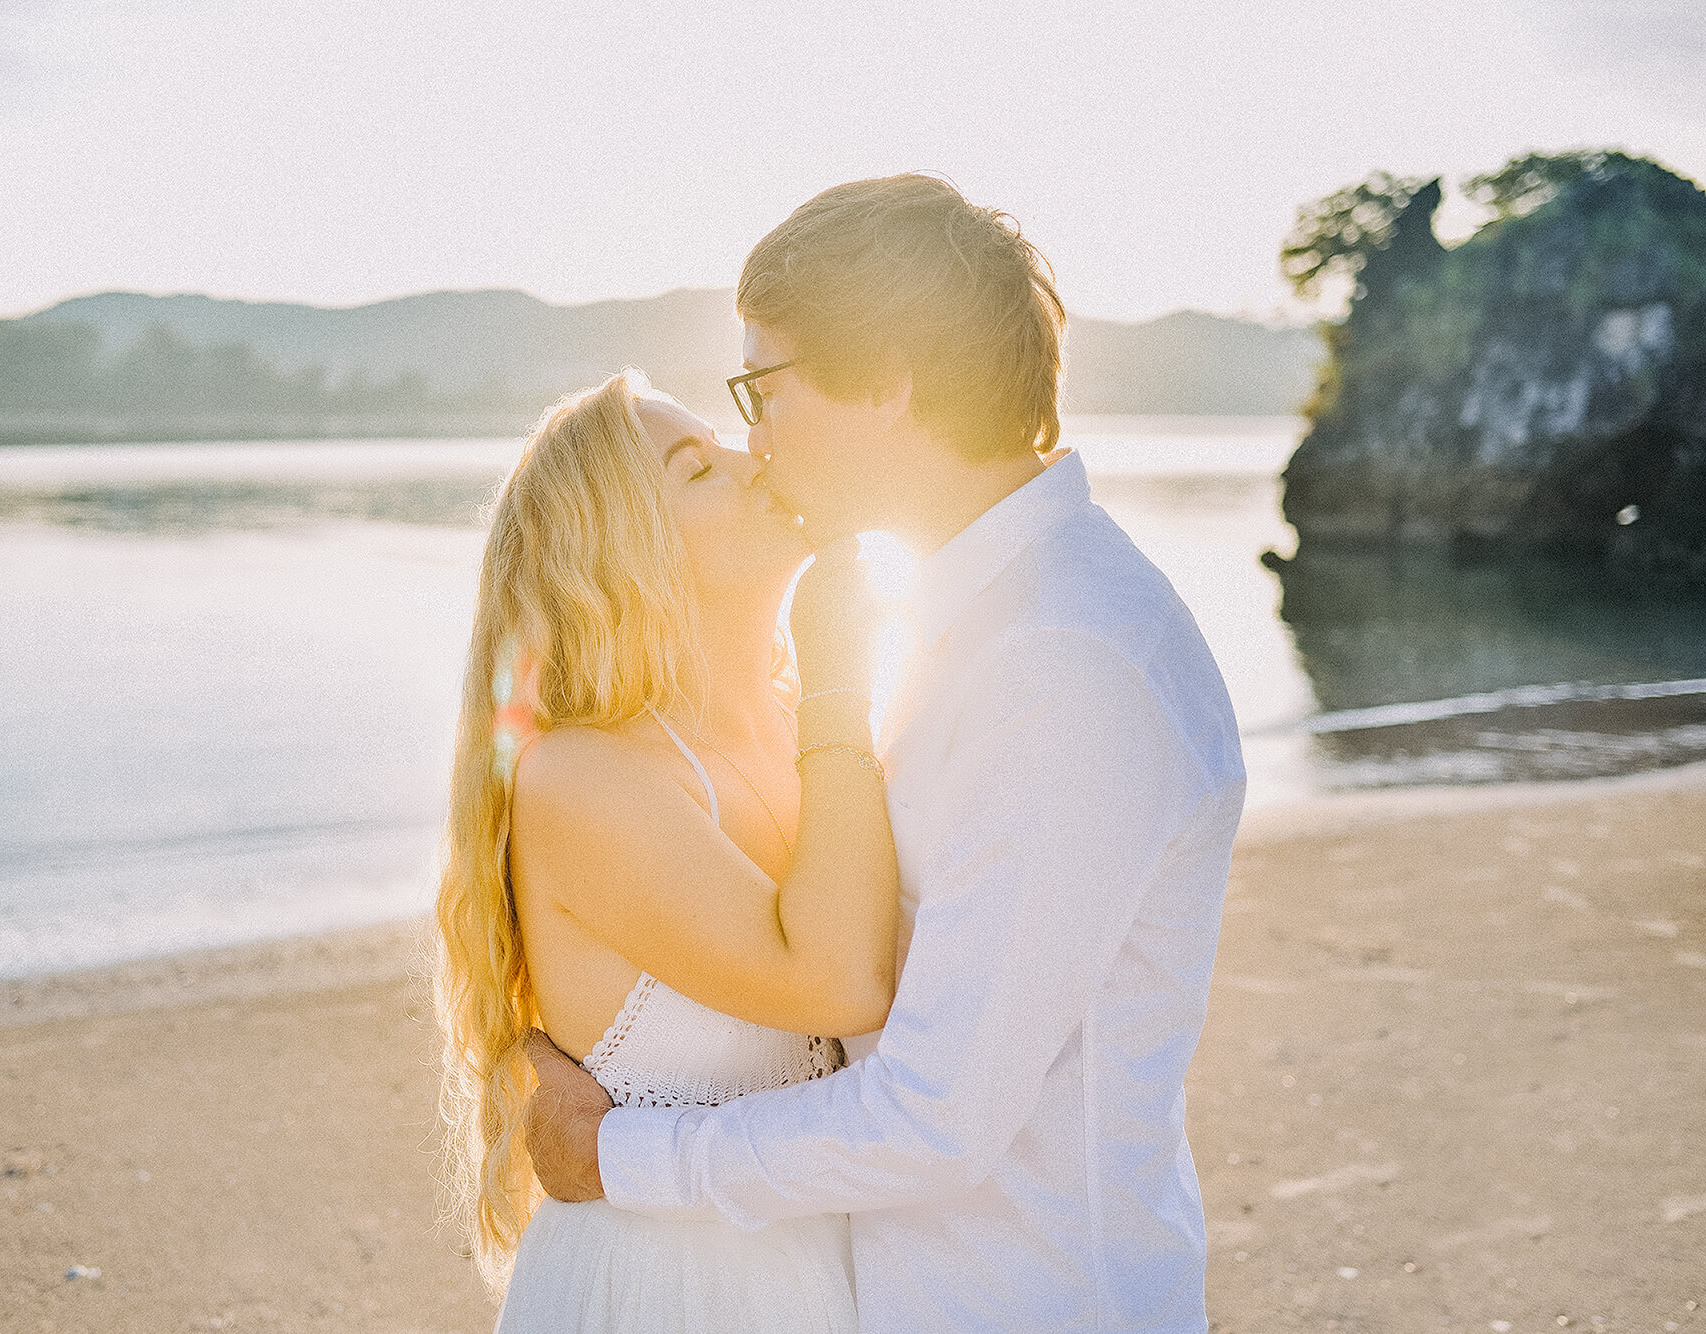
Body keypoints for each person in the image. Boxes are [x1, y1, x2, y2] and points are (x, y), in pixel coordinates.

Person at [522, 174, 1247, 1331]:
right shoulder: (977, 630)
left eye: (762, 386)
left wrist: (614, 1154)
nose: (753, 436)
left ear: (890, 383)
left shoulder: (1065, 661)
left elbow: (932, 1118)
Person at [432, 369, 905, 1332]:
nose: (754, 453)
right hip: (670, 1292)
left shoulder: (809, 732)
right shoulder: (580, 777)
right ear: (626, 556)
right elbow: (839, 983)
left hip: (841, 1271)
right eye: (700, 468)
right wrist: (839, 673)